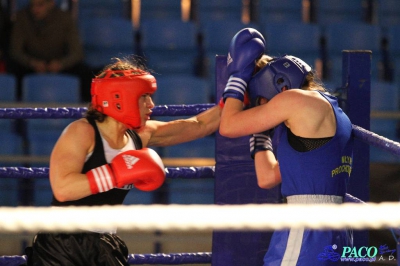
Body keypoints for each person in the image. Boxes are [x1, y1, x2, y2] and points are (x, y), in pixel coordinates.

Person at [23, 56, 221, 266]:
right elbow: (63, 188)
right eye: (144, 96)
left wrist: (235, 97)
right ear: (121, 97)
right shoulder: (82, 131)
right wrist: (115, 174)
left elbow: (199, 125)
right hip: (62, 241)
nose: (151, 104)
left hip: (104, 242)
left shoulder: (139, 136)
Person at [219, 28, 354, 265]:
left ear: (280, 85)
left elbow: (228, 126)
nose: (262, 106)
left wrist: (237, 76)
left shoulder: (294, 99)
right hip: (337, 228)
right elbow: (267, 176)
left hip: (307, 227)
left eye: (261, 99)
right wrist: (260, 129)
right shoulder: (327, 110)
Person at [8, 0, 92, 101]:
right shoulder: (22, 17)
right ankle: (17, 113)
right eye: (32, 5)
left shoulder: (65, 18)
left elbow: (77, 53)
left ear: (51, 4)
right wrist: (32, 63)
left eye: (40, 5)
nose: (35, 9)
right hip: (29, 65)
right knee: (12, 71)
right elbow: (15, 51)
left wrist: (61, 64)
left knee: (85, 73)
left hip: (60, 64)